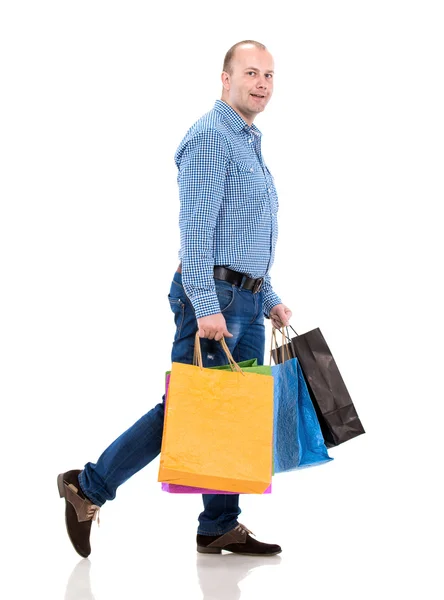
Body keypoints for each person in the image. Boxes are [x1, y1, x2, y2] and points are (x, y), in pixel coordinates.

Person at [57, 39, 292, 558]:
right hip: (215, 298)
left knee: (228, 412)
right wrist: (206, 302)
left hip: (244, 299)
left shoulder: (248, 138)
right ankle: (88, 488)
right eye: (251, 72)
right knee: (189, 409)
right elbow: (197, 229)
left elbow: (246, 231)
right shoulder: (211, 136)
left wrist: (268, 295)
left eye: (270, 75)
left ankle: (219, 525)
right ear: (225, 79)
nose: (262, 83)